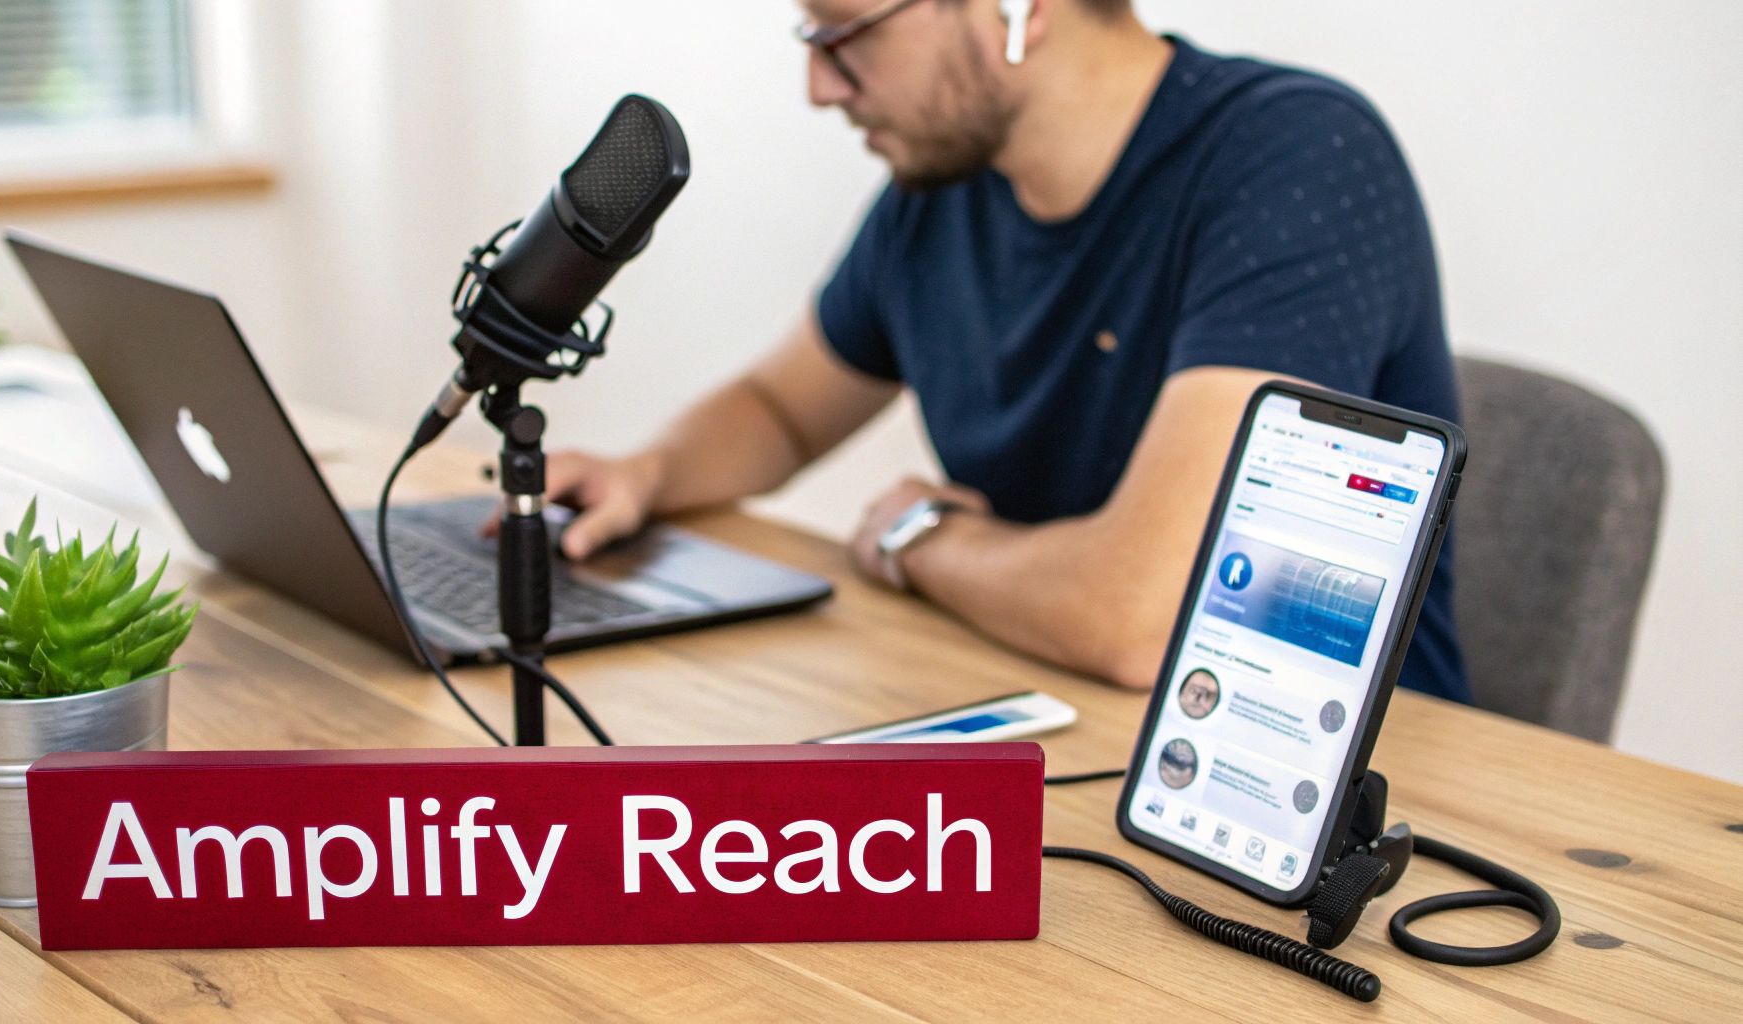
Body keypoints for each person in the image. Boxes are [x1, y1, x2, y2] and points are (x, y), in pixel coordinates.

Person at [528, 0, 1470, 702]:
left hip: (1336, 798)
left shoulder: (1299, 160)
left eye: (844, 33)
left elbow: (1142, 620)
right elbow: (779, 411)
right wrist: (647, 472)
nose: (819, 88)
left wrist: (923, 541)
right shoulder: (938, 195)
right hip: (1062, 722)